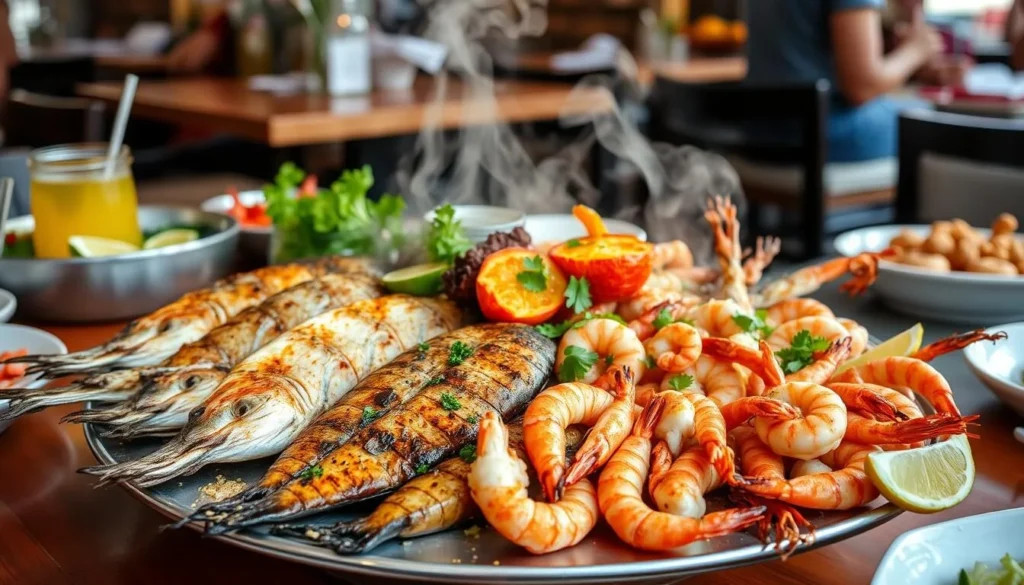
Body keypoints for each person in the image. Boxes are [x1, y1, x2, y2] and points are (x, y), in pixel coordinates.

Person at [745, 0, 945, 162]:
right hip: (818, 135)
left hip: (759, 133)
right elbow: (862, 87)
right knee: (936, 123)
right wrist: (916, 50)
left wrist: (910, 66)